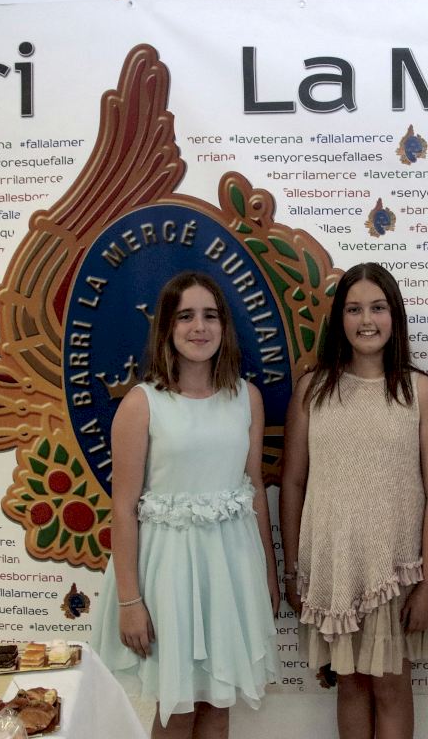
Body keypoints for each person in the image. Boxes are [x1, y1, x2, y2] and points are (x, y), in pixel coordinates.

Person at [92, 272, 280, 739]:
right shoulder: (142, 404)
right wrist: (130, 600)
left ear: (224, 326)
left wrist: (268, 576)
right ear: (167, 328)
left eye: (210, 316)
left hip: (231, 571)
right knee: (176, 709)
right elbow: (123, 510)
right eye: (186, 316)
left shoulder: (247, 399)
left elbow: (254, 489)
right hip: (169, 576)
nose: (200, 327)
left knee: (219, 703)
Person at [279, 262, 428, 739]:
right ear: (340, 319)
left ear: (394, 315)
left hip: (394, 575)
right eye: (354, 309)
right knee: (350, 686)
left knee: (391, 688)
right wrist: (292, 571)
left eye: (377, 308)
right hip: (332, 569)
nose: (366, 320)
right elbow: (293, 484)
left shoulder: (421, 393)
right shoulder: (312, 390)